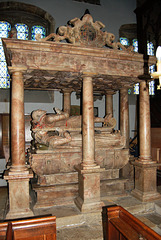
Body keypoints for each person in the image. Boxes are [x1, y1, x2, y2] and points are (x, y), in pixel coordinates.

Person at [31, 108, 116, 148]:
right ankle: (104, 120)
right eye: (38, 111)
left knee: (87, 122)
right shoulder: (48, 119)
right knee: (87, 119)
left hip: (68, 126)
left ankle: (105, 123)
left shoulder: (45, 121)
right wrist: (60, 112)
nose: (39, 109)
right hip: (70, 123)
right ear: (39, 116)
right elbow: (66, 115)